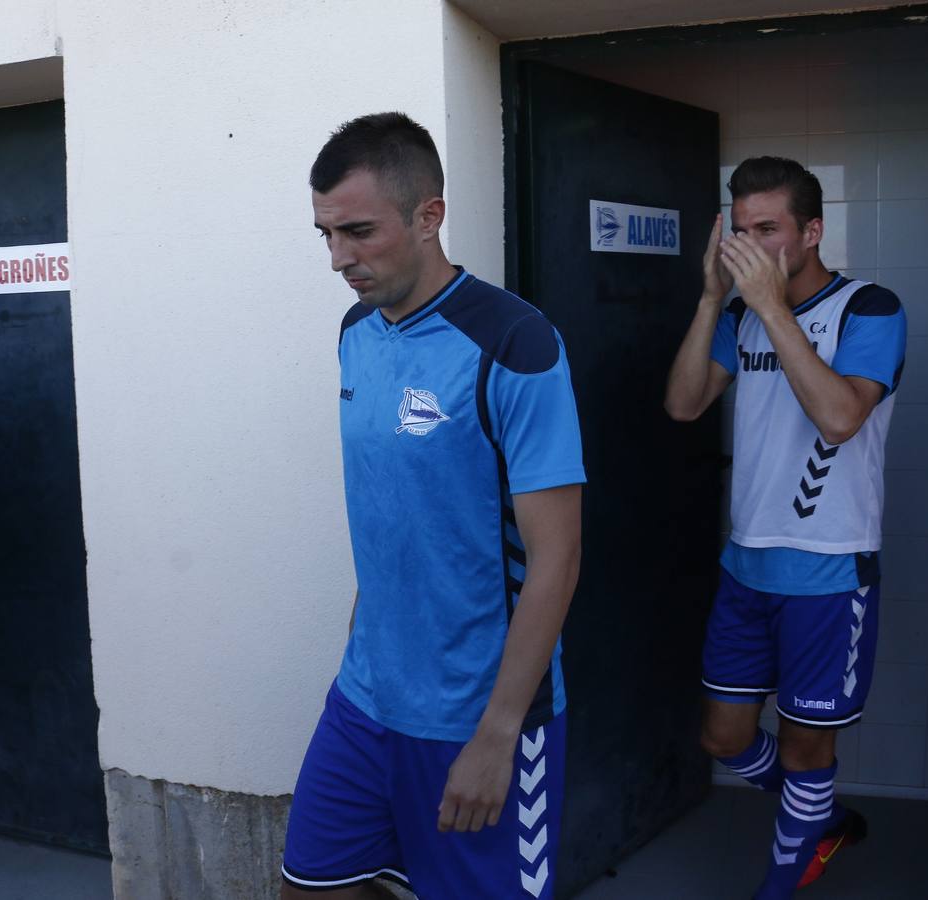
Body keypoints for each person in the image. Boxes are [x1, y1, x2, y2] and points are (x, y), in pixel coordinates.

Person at [281, 113, 585, 899]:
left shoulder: (516, 343)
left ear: (429, 216)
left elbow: (557, 558)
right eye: (325, 235)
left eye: (358, 231)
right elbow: (398, 509)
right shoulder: (355, 332)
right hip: (366, 698)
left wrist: (497, 734)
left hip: (473, 716)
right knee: (314, 889)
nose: (339, 258)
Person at [664, 157, 907, 899]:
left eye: (768, 229)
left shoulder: (870, 307)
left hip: (829, 571)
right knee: (723, 738)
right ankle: (819, 816)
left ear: (812, 230)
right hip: (747, 568)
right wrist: (712, 300)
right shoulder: (736, 315)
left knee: (806, 746)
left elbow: (840, 418)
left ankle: (782, 881)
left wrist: (770, 307)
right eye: (740, 230)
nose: (751, 246)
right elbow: (682, 405)